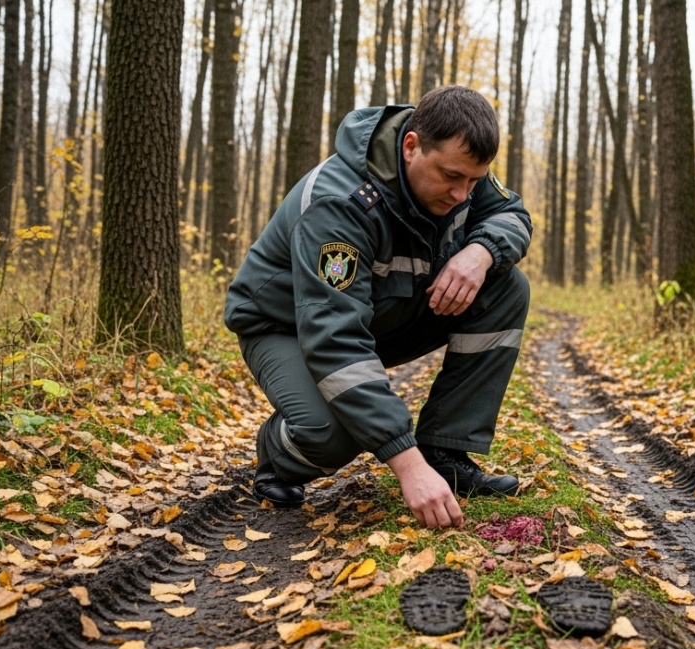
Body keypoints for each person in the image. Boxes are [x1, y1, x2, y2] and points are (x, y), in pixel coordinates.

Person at [224, 86, 533, 530]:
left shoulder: (459, 173)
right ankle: (277, 451)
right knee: (334, 434)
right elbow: (336, 341)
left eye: (473, 181)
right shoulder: (338, 204)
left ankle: (444, 452)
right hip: (288, 326)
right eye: (451, 177)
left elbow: (513, 215)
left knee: (506, 287)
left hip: (381, 312)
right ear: (411, 147)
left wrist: (481, 251)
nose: (463, 194)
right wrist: (407, 467)